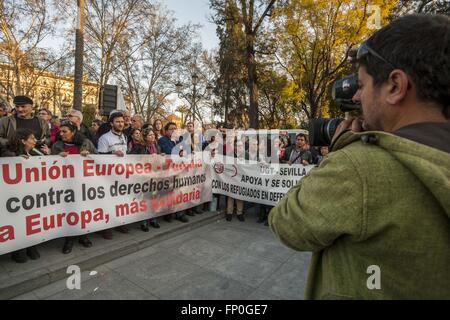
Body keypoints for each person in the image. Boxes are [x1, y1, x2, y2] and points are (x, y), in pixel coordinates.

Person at [269, 14, 450, 299]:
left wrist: (342, 151)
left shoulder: (359, 167)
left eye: (362, 86)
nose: (355, 99)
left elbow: (286, 223)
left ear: (395, 86)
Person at [1, 128, 50, 263]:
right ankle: (19, 250)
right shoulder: (9, 153)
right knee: (18, 222)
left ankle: (30, 246)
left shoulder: (34, 152)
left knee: (31, 221)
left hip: (32, 196)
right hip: (15, 198)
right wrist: (15, 160)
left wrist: (49, 155)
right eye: (32, 138)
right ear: (23, 141)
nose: (35, 141)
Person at [51, 121, 97, 254]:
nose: (61, 134)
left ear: (73, 132)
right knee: (69, 213)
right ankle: (69, 239)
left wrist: (90, 155)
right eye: (60, 131)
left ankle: (84, 236)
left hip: (84, 184)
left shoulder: (86, 143)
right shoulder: (57, 145)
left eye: (65, 131)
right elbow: (48, 165)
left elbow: (100, 158)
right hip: (65, 186)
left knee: (83, 211)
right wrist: (56, 157)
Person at [97, 111, 130, 238]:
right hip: (108, 176)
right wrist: (113, 154)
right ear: (111, 123)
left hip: (122, 174)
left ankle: (119, 222)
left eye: (122, 121)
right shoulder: (104, 138)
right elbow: (99, 157)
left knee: (120, 200)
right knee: (108, 201)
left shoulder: (125, 137)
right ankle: (106, 227)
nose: (120, 124)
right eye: (117, 122)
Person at [129, 128, 161, 230]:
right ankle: (143, 222)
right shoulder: (139, 147)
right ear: (145, 137)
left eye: (153, 135)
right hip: (143, 177)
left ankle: (153, 219)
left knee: (154, 197)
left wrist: (161, 156)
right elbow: (133, 158)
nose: (152, 137)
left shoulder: (156, 146)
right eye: (150, 135)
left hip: (154, 176)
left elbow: (160, 158)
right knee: (145, 198)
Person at [158, 122, 189, 223]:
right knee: (169, 191)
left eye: (175, 129)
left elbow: (186, 151)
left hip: (179, 170)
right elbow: (169, 151)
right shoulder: (162, 140)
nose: (174, 131)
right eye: (171, 129)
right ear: (166, 131)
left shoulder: (180, 139)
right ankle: (168, 213)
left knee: (179, 191)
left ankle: (180, 213)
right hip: (168, 170)